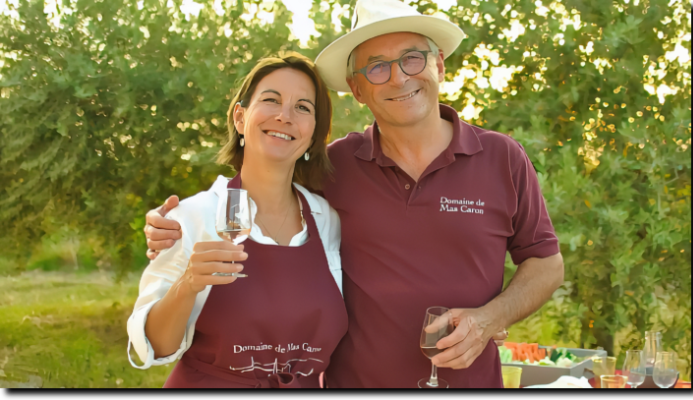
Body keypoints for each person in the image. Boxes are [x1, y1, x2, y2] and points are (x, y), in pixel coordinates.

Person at [142, 0, 564, 388]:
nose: (399, 77)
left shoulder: (503, 158)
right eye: (377, 67)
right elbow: (263, 181)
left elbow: (546, 263)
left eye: (412, 58)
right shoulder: (334, 167)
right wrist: (174, 228)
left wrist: (492, 317)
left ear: (439, 64)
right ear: (357, 89)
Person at [127, 53, 348, 388]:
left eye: (303, 107)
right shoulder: (193, 217)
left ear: (315, 132)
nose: (284, 116)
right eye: (271, 100)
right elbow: (155, 347)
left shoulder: (327, 220)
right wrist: (188, 283)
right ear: (240, 117)